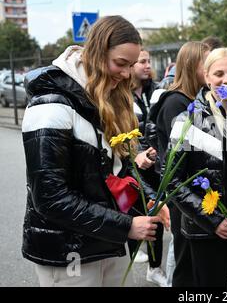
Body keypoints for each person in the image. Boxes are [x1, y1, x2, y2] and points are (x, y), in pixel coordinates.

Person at [21, 16, 162, 287]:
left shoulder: (110, 99)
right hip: (68, 251)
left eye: (131, 65)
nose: (125, 74)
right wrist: (126, 226)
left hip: (109, 241)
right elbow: (50, 197)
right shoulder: (50, 106)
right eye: (120, 63)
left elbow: (119, 172)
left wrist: (150, 199)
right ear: (96, 53)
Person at [170, 48, 227, 287]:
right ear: (206, 76)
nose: (226, 80)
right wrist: (212, 222)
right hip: (204, 231)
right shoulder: (187, 120)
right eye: (218, 73)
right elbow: (172, 180)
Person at [148, 41, 210, 287]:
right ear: (193, 64)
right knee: (185, 261)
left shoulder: (197, 98)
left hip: (194, 191)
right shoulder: (176, 102)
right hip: (182, 194)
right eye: (207, 62)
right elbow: (189, 152)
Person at [129, 49, 168, 287]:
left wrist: (155, 151)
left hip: (155, 165)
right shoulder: (120, 93)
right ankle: (134, 250)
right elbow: (120, 134)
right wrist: (136, 154)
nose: (147, 65)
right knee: (136, 216)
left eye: (148, 61)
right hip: (133, 168)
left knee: (156, 218)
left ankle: (155, 268)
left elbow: (159, 127)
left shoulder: (156, 90)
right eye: (142, 61)